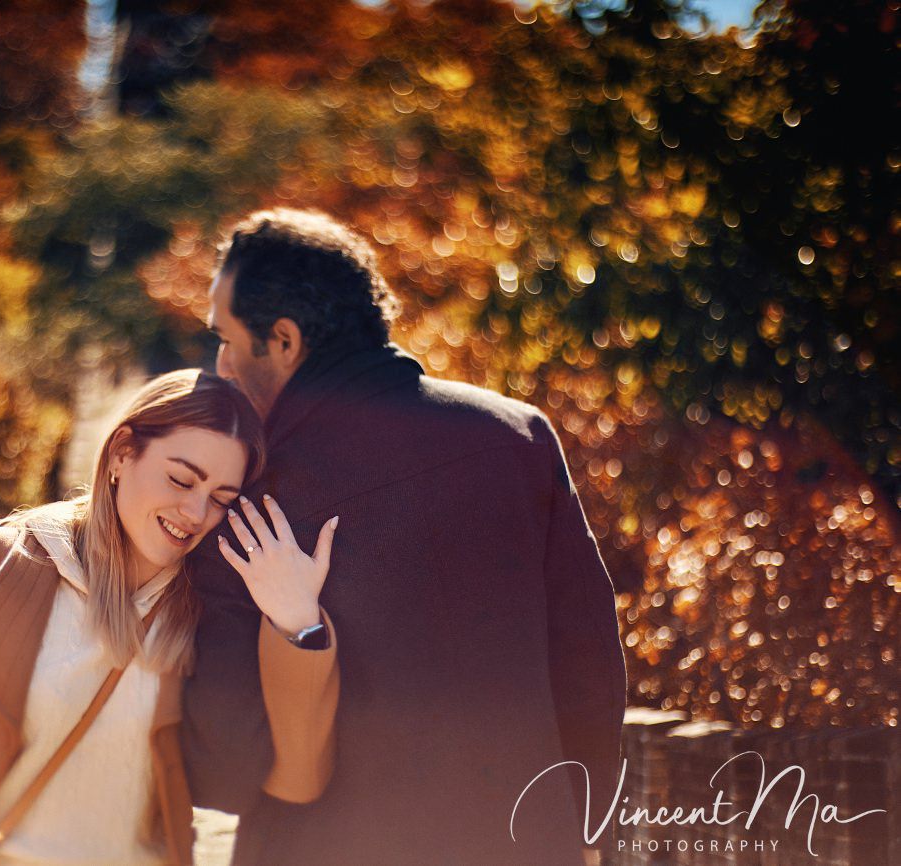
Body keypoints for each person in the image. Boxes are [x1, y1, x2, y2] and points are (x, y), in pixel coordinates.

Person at [181, 209, 628, 866]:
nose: (219, 365)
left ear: (282, 341)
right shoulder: (516, 437)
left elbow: (224, 767)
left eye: (225, 338)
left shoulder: (247, 500)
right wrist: (587, 832)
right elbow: (588, 663)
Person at [0, 369, 341, 866]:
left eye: (220, 499)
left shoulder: (209, 613)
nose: (194, 512)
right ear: (123, 452)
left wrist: (297, 623)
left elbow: (296, 779)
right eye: (180, 479)